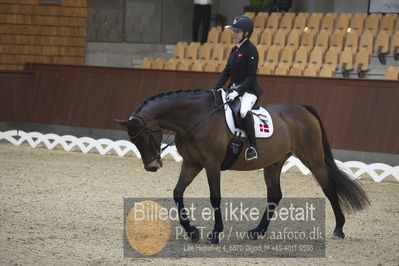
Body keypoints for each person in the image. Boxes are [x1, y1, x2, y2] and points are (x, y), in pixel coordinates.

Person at [212, 15, 262, 161]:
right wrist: (214, 89)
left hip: (249, 91)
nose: (234, 33)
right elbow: (226, 72)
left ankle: (253, 147)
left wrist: (238, 91)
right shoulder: (234, 50)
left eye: (237, 31)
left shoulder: (251, 50)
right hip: (233, 90)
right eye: (233, 31)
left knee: (243, 111)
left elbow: (251, 77)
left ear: (246, 33)